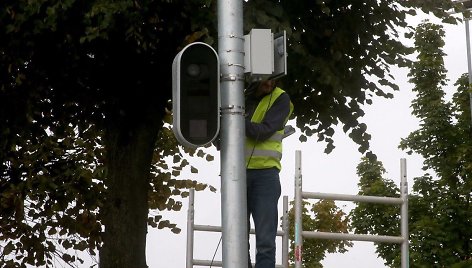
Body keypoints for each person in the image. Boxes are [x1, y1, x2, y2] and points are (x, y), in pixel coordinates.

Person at [245, 79, 293, 268]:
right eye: (265, 76)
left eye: (273, 77)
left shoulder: (281, 98)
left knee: (265, 240)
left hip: (265, 174)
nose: (269, 82)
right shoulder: (239, 94)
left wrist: (234, 120)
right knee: (236, 236)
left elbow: (263, 132)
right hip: (237, 174)